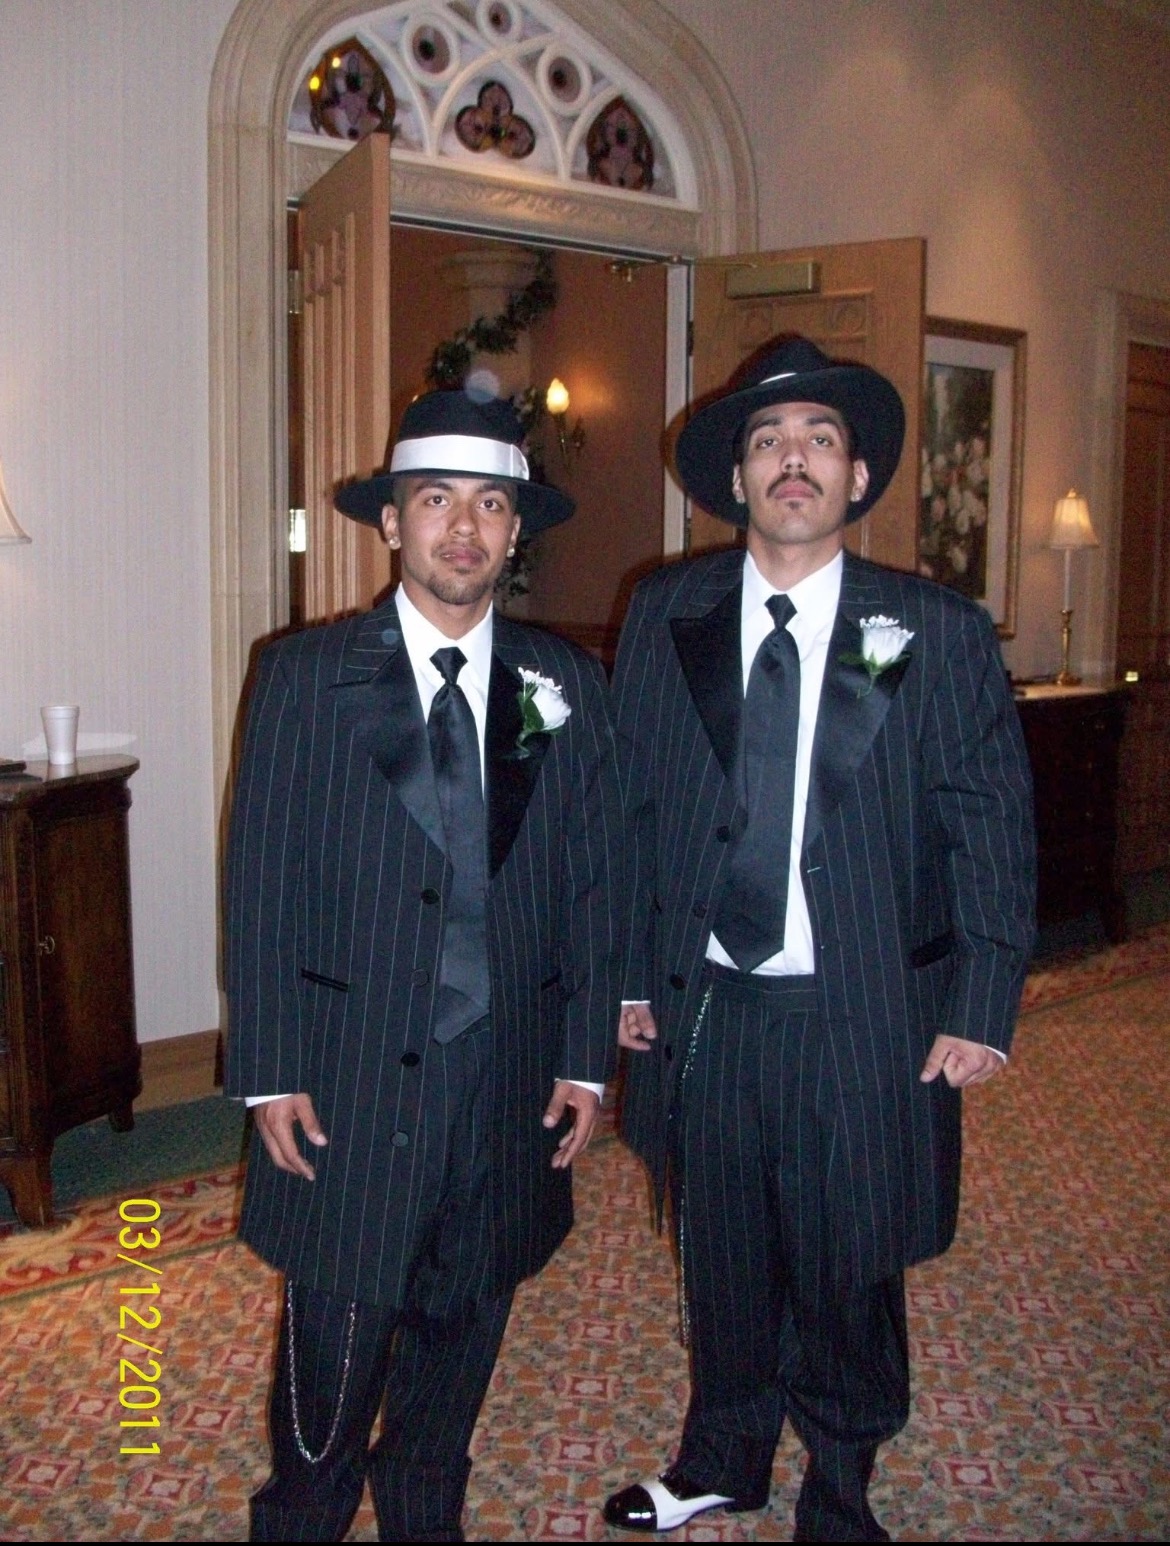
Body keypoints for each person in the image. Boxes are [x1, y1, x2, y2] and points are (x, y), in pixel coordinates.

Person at [603, 338, 1035, 1540]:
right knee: (720, 1247)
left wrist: (982, 999)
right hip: (708, 1001)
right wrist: (624, 975)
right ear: (738, 477)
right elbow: (626, 808)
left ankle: (841, 1485)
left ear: (856, 477)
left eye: (820, 440)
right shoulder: (669, 612)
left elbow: (991, 822)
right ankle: (723, 1455)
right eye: (768, 441)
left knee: (851, 1259)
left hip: (864, 1006)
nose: (793, 459)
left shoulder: (934, 628)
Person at [224, 389, 623, 1543]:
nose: (463, 526)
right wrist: (268, 1067)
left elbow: (596, 882)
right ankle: (302, 1516)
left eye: (490, 503)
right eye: (436, 499)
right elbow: (262, 884)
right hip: (346, 1078)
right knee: (331, 1363)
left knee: (461, 1335)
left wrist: (585, 1057)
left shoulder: (562, 683)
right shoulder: (306, 678)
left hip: (505, 1078)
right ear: (393, 522)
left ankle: (422, 1514)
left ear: (514, 530)